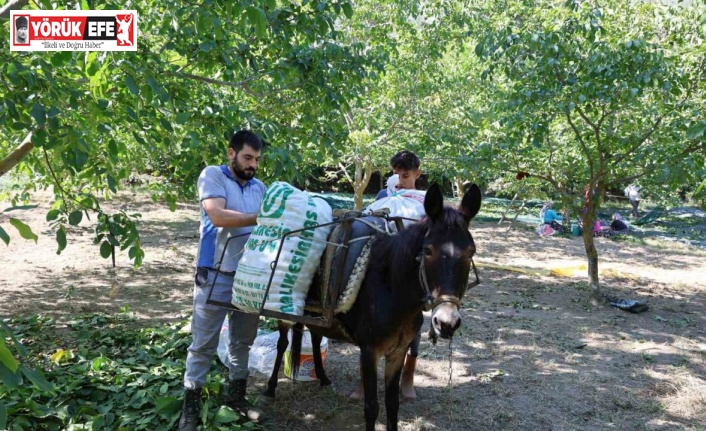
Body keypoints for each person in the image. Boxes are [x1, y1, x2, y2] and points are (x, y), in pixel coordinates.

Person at [179, 130, 267, 431]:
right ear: (231, 153)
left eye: (256, 159)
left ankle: (237, 399)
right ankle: (190, 409)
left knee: (242, 342)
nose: (252, 164)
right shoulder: (212, 176)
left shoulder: (260, 188)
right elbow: (217, 216)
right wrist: (262, 217)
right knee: (203, 345)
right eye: (247, 157)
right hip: (214, 274)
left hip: (248, 279)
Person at [353, 150, 422, 401]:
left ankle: (407, 379)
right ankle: (364, 383)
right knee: (369, 327)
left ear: (417, 173)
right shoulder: (384, 196)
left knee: (411, 326)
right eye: (396, 175)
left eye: (406, 176)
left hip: (411, 274)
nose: (401, 181)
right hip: (383, 269)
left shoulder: (424, 202)